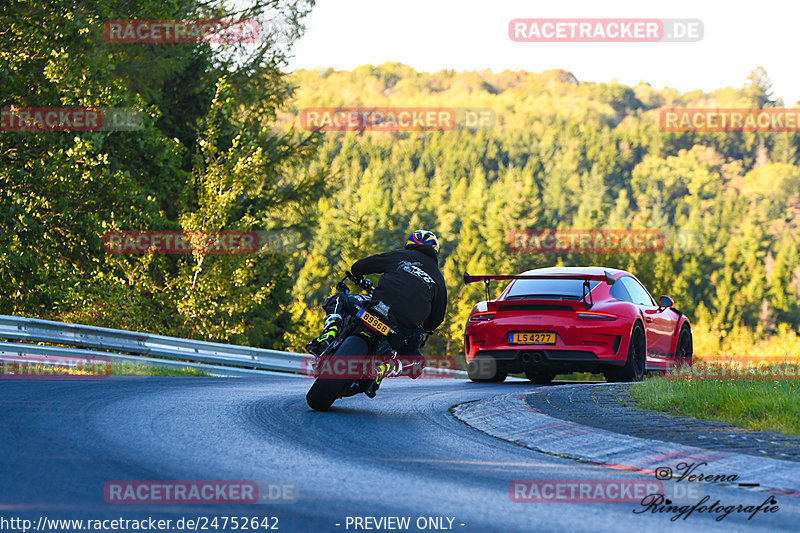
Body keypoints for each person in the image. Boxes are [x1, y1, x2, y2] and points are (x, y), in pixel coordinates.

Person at [305, 230, 447, 380]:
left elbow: (359, 267)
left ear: (410, 246)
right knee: (417, 363)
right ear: (435, 251)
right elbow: (436, 320)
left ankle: (331, 330)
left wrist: (358, 275)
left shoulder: (400, 256)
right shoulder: (439, 280)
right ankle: (384, 368)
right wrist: (425, 326)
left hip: (375, 307)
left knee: (340, 299)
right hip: (400, 330)